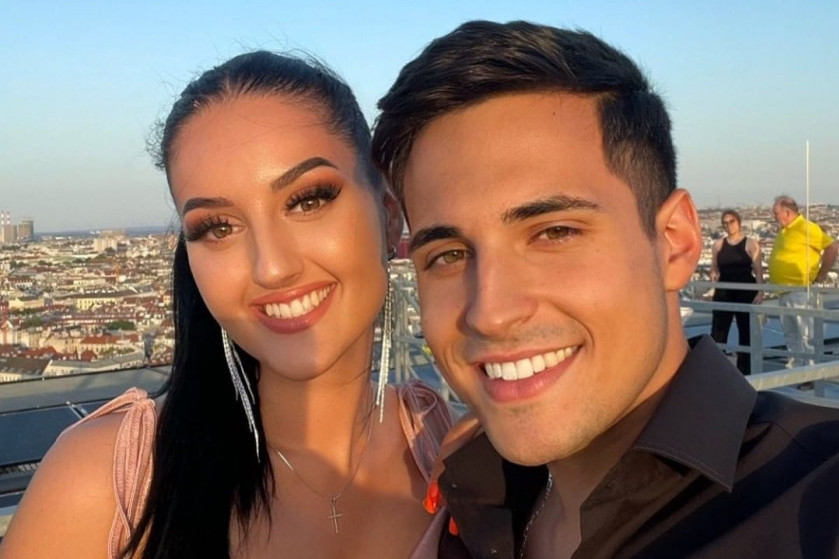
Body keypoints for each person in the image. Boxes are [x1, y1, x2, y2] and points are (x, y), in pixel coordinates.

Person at [372, 20, 839, 558]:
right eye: (448, 256)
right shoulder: (470, 509)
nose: (491, 313)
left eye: (554, 233)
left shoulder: (816, 505)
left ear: (674, 243)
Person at [0, 51, 451, 559]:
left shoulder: (453, 454)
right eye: (218, 228)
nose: (271, 267)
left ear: (389, 217)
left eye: (308, 200)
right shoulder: (104, 483)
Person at [768, 195, 838, 368]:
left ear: (787, 212)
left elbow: (832, 246)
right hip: (783, 291)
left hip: (800, 290)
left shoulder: (805, 227)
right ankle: (797, 370)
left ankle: (810, 372)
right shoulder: (784, 231)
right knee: (791, 336)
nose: (773, 216)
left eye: (776, 213)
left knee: (806, 336)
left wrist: (822, 274)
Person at [709, 209, 763, 374]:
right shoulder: (718, 245)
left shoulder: (751, 243)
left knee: (746, 330)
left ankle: (745, 370)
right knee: (719, 330)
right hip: (724, 290)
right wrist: (713, 274)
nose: (728, 225)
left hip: (745, 289)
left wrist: (760, 291)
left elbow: (758, 270)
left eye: (731, 221)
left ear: (739, 223)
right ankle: (717, 369)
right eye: (725, 223)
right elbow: (714, 267)